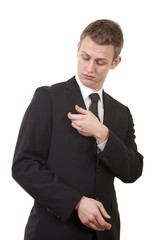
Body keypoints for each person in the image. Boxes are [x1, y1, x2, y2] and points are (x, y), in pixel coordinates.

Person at [12, 19, 143, 240]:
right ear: (77, 50)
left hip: (104, 234)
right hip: (52, 232)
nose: (89, 68)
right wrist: (76, 202)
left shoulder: (122, 113)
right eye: (85, 57)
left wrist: (103, 134)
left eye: (100, 62)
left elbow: (133, 172)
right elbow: (24, 165)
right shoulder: (48, 99)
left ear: (115, 62)